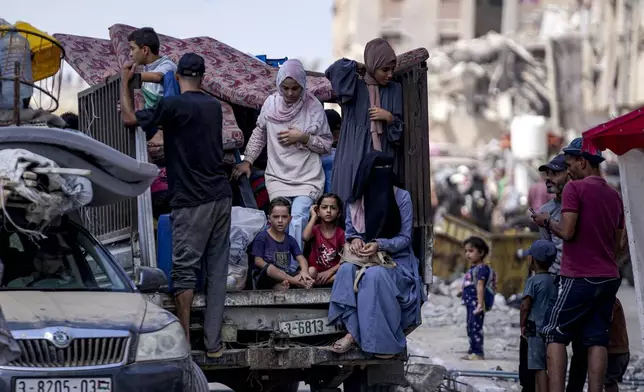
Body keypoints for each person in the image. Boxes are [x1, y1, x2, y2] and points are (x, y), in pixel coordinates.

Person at [120, 53, 232, 359]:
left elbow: (130, 120)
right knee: (217, 273)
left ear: (176, 76)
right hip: (222, 196)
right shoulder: (213, 106)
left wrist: (125, 85)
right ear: (203, 78)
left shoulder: (172, 105)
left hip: (192, 199)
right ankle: (213, 345)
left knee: (184, 272)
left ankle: (182, 344)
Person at [532, 138, 624, 392]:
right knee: (597, 338)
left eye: (570, 163)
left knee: (554, 332)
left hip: (579, 276)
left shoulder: (576, 189)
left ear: (582, 162)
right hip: (608, 276)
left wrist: (546, 221)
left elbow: (567, 231)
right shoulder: (614, 195)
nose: (569, 168)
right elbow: (620, 244)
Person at [233, 59, 332, 264]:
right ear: (278, 85)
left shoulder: (313, 107)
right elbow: (259, 133)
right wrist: (248, 161)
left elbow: (326, 145)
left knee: (298, 218)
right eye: (285, 88)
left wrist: (303, 138)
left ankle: (292, 266)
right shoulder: (270, 104)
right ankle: (280, 265)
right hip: (278, 176)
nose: (290, 93)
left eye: (295, 88)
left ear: (303, 85)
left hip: (307, 177)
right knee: (281, 220)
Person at [328, 152, 423, 358]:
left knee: (374, 276)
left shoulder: (401, 197)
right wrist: (355, 241)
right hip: (362, 257)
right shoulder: (355, 201)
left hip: (395, 260)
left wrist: (379, 244)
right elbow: (351, 232)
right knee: (345, 271)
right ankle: (352, 330)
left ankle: (373, 342)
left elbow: (404, 238)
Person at [325, 38, 403, 203]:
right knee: (350, 195)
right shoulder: (355, 85)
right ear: (372, 66)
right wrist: (361, 66)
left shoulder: (394, 89)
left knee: (378, 201)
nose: (390, 74)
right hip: (353, 150)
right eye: (384, 69)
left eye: (392, 69)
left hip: (381, 152)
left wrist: (388, 117)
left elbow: (398, 134)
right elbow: (335, 70)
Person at [252, 197, 315, 290]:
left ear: (290, 219)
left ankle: (285, 284)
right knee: (271, 269)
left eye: (284, 217)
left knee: (312, 270)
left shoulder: (290, 240)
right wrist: (280, 274)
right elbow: (258, 261)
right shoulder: (262, 237)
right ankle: (296, 283)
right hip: (268, 278)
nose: (280, 220)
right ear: (269, 219)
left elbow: (301, 259)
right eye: (276, 217)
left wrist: (304, 272)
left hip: (286, 275)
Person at [520, 240, 558, 392]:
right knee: (550, 364)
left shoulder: (533, 281)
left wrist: (522, 324)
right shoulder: (555, 279)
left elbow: (525, 306)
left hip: (534, 328)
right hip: (551, 328)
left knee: (538, 366)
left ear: (533, 260)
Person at [127, 27, 177, 109]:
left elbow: (158, 76)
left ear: (145, 50)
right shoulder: (146, 68)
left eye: (132, 49)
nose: (130, 54)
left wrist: (130, 77)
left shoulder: (167, 65)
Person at [302, 193, 345, 286]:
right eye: (324, 207)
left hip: (332, 275)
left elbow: (346, 259)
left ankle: (318, 283)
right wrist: (313, 216)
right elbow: (305, 237)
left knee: (347, 272)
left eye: (333, 208)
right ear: (318, 211)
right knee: (311, 271)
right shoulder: (315, 229)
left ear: (339, 213)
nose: (328, 211)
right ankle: (316, 282)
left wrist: (329, 272)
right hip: (314, 274)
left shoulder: (341, 233)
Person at [460, 236, 492, 360]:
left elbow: (480, 286)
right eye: (466, 251)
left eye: (471, 251)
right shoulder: (473, 268)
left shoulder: (482, 268)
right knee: (470, 326)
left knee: (475, 327)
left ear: (481, 252)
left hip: (476, 304)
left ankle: (478, 352)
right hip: (470, 303)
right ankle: (472, 351)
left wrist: (479, 304)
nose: (467, 254)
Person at [605, 298, 630, 392]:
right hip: (620, 350)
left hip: (614, 351)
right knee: (610, 382)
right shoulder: (613, 299)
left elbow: (606, 318)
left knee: (609, 383)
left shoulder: (610, 300)